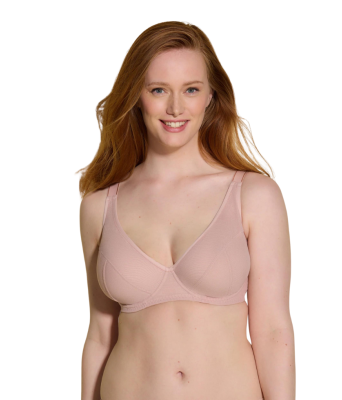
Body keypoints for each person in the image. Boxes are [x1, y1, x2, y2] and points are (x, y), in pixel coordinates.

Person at [77, 21, 295, 400]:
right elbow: (100, 334)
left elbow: (273, 331)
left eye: (191, 89)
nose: (175, 107)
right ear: (137, 96)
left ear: (210, 96)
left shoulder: (254, 195)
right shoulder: (99, 205)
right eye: (158, 90)